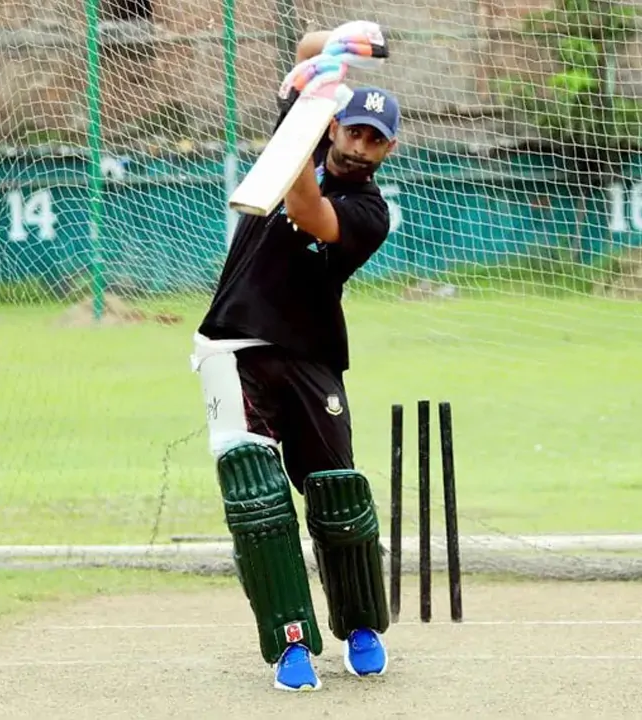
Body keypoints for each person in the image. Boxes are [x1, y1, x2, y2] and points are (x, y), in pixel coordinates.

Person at [188, 21, 400, 691]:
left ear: (389, 150)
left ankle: (361, 625)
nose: (360, 146)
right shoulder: (306, 123)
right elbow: (308, 52)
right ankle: (291, 646)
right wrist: (331, 50)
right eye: (353, 131)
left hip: (310, 356)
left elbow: (307, 209)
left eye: (375, 140)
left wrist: (310, 110)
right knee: (257, 500)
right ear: (337, 128)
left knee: (337, 495)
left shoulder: (368, 212)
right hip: (232, 344)